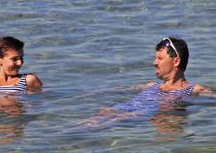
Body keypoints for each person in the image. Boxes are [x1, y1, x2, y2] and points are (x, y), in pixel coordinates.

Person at [81, 37, 214, 130]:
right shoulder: (151, 85)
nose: (154, 62)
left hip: (136, 117)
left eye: (159, 58)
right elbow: (118, 90)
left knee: (110, 121)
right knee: (100, 115)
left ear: (176, 61)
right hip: (122, 110)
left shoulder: (192, 89)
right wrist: (90, 94)